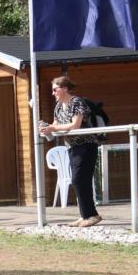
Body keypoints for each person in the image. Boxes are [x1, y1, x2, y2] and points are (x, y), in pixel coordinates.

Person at [40, 76, 102, 227]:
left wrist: (53, 128)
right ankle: (86, 215)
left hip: (87, 145)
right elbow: (56, 124)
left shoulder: (77, 102)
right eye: (52, 90)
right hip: (72, 147)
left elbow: (75, 125)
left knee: (79, 179)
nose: (53, 93)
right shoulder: (58, 106)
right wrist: (47, 128)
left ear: (65, 89)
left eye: (55, 89)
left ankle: (91, 215)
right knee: (78, 180)